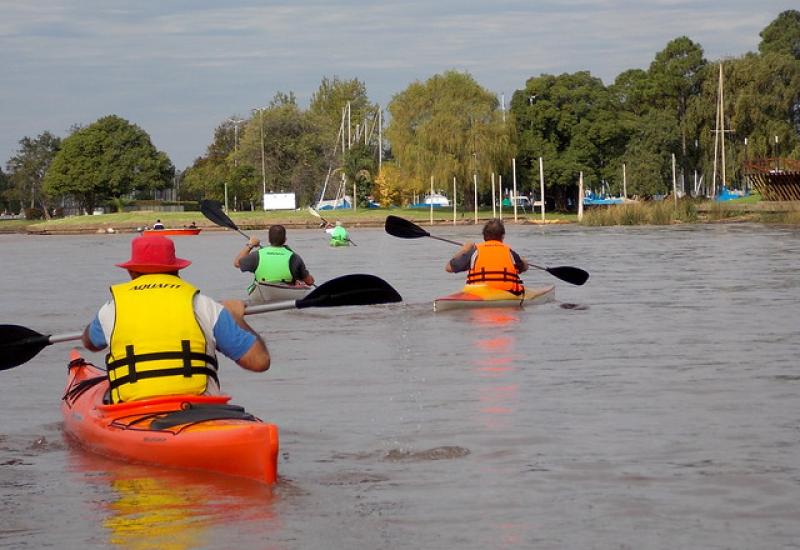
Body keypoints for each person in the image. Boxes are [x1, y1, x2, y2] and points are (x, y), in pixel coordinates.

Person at [82, 235, 269, 404]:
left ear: (131, 272)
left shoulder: (111, 310)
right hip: (200, 412)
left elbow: (89, 342)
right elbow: (259, 361)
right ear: (177, 270)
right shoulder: (204, 305)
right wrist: (236, 317)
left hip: (132, 412)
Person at [445, 218, 528, 295]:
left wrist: (464, 250)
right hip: (508, 292)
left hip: (477, 293)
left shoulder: (474, 252)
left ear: (484, 236)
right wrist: (523, 260)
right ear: (502, 236)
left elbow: (448, 268)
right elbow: (524, 267)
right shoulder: (510, 253)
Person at [234, 224, 315, 290]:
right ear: (285, 239)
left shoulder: (257, 255)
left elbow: (237, 263)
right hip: (286, 290)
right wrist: (311, 280)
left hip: (262, 287)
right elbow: (309, 282)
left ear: (269, 239)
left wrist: (250, 245)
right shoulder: (294, 257)